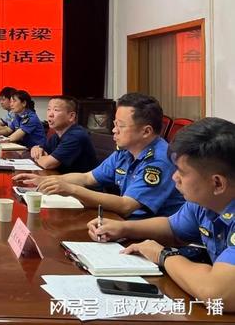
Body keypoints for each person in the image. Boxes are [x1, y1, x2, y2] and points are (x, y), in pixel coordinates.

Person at [87, 118, 235, 310]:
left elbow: (217, 293)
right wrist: (123, 228)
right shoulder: (204, 202)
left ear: (217, 183)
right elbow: (172, 228)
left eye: (182, 172)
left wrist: (163, 254)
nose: (174, 177)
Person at [14, 93, 185, 219]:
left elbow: (127, 205)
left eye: (121, 126)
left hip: (152, 236)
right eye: (114, 124)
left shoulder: (159, 160)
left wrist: (71, 189)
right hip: (123, 223)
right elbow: (87, 177)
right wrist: (46, 181)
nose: (114, 130)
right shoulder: (125, 151)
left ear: (146, 131)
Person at [31, 95, 98, 173]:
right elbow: (42, 149)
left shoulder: (76, 136)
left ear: (71, 116)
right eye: (49, 109)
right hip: (61, 177)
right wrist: (36, 148)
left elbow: (48, 164)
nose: (50, 114)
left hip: (78, 180)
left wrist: (38, 157)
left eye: (56, 110)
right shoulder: (57, 135)